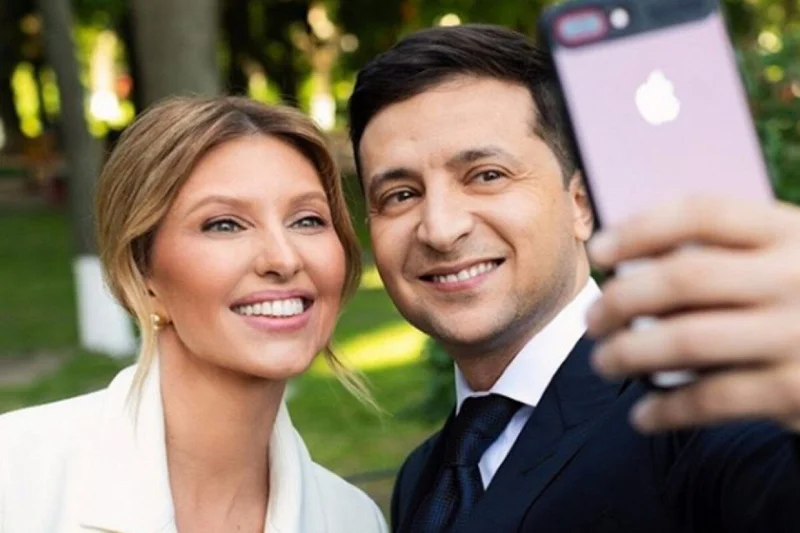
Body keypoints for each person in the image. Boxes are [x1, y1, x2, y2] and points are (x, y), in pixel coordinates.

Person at [348, 24, 800, 533]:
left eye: (487, 175)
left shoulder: (700, 409)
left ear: (581, 203)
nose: (440, 228)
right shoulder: (421, 480)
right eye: (401, 195)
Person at [0, 96, 388, 533]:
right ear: (142, 274)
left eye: (307, 220)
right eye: (224, 224)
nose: (283, 259)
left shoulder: (355, 521)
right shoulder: (15, 479)